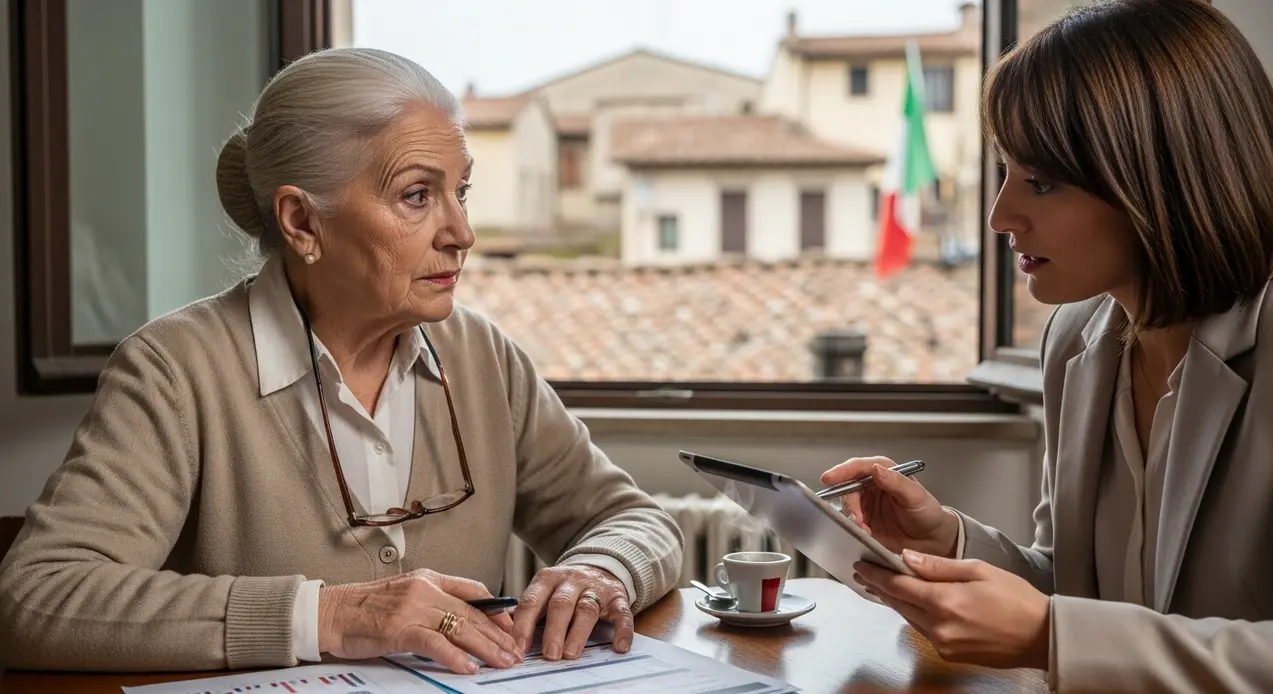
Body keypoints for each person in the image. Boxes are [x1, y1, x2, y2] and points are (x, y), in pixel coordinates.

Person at [0, 47, 683, 674]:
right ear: (301, 223)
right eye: (418, 196)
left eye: (461, 192)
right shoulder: (176, 370)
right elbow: (36, 598)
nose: (462, 234)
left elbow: (634, 521)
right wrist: (333, 615)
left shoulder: (484, 357)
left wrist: (600, 569)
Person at [822, 0, 1273, 691]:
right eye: (1004, 171)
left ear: (1159, 178)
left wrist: (1047, 636)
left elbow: (1072, 627)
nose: (1002, 216)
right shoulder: (1076, 342)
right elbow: (1076, 588)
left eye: (1040, 181)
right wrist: (945, 539)